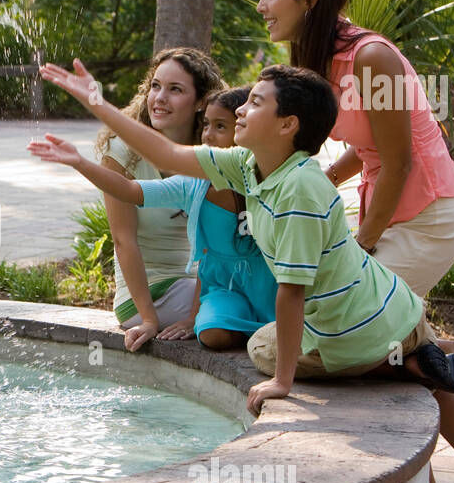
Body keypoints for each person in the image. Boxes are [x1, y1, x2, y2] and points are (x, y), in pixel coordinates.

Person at [36, 59, 454, 483]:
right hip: (396, 310)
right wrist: (95, 109)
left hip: (348, 331)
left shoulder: (299, 191)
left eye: (255, 102)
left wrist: (283, 383)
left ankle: (412, 361)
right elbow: (163, 151)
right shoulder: (249, 167)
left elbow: (291, 294)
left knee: (263, 347)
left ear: (288, 125)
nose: (241, 107)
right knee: (430, 384)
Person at [258, 0, 454, 483]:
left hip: (427, 218)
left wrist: (360, 246)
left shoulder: (372, 57)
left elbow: (403, 159)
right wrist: (318, 181)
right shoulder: (320, 62)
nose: (262, 6)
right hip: (392, 212)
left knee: (363, 341)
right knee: (393, 359)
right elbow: (367, 148)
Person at [36, 86, 276, 350]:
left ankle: (268, 331)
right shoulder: (194, 185)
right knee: (211, 334)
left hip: (270, 282)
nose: (207, 135)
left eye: (220, 127)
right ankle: (255, 334)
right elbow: (129, 190)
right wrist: (79, 163)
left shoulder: (270, 178)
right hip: (225, 289)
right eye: (206, 124)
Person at [92, 48, 224, 353]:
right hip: (146, 295)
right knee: (240, 305)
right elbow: (123, 240)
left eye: (175, 89)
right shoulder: (122, 152)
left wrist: (194, 314)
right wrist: (149, 320)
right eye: (155, 86)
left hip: (193, 286)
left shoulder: (209, 154)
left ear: (201, 102)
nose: (159, 97)